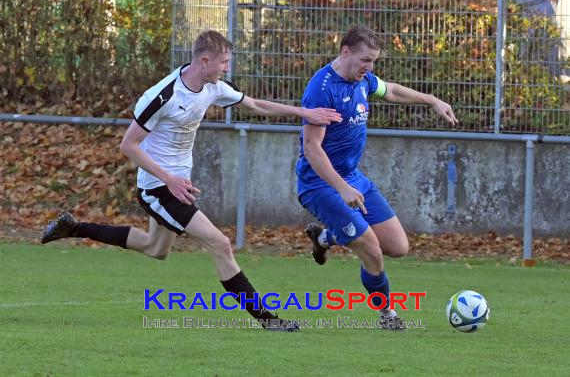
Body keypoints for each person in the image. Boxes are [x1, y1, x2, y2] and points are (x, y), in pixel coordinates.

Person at [40, 29, 341, 332]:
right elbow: (127, 146)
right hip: (159, 188)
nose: (227, 68)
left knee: (156, 248)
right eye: (224, 62)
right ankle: (268, 321)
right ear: (205, 61)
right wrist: (169, 179)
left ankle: (73, 227)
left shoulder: (214, 87)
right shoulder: (164, 95)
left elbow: (255, 104)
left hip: (177, 183)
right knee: (221, 244)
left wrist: (305, 112)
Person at [297, 25, 458, 329]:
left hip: (353, 179)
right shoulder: (322, 89)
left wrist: (431, 99)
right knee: (371, 248)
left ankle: (325, 237)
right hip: (320, 185)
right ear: (346, 53)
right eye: (365, 60)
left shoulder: (363, 80)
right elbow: (312, 148)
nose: (369, 68)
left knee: (398, 247)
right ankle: (387, 315)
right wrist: (341, 188)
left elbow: (392, 90)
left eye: (373, 62)